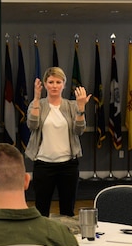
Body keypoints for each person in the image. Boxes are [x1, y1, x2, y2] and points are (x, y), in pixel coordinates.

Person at [25, 66, 90, 217]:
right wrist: (36, 98)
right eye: (51, 82)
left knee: (67, 210)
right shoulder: (38, 104)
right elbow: (32, 125)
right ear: (45, 84)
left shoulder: (72, 106)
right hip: (43, 164)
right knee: (41, 210)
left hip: (68, 165)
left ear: (64, 84)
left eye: (58, 82)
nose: (54, 85)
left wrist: (81, 109)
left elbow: (79, 130)